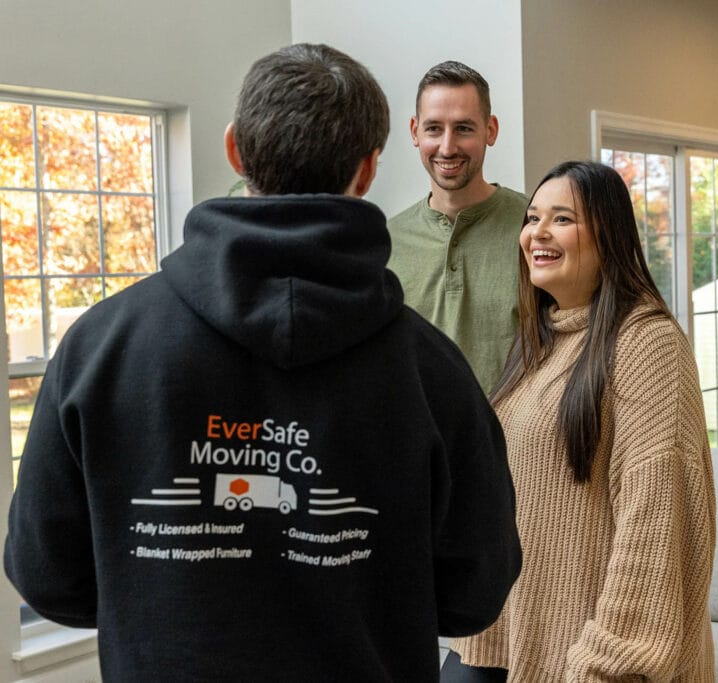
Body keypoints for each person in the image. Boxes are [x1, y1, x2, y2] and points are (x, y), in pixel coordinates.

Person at [4, 43, 521, 682]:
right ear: (367, 169)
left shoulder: (99, 347)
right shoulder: (433, 371)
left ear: (235, 151)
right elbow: (474, 596)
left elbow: (50, 582)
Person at [442, 161, 716, 681]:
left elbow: (655, 521)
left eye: (562, 218)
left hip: (582, 656)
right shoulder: (542, 340)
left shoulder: (647, 343)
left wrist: (607, 661)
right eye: (532, 218)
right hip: (499, 635)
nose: (537, 233)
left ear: (609, 236)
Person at [388, 61, 528, 395]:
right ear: (414, 131)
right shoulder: (387, 242)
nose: (447, 147)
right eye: (434, 128)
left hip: (519, 444)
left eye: (464, 128)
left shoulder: (534, 227)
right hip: (419, 442)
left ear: (490, 130)